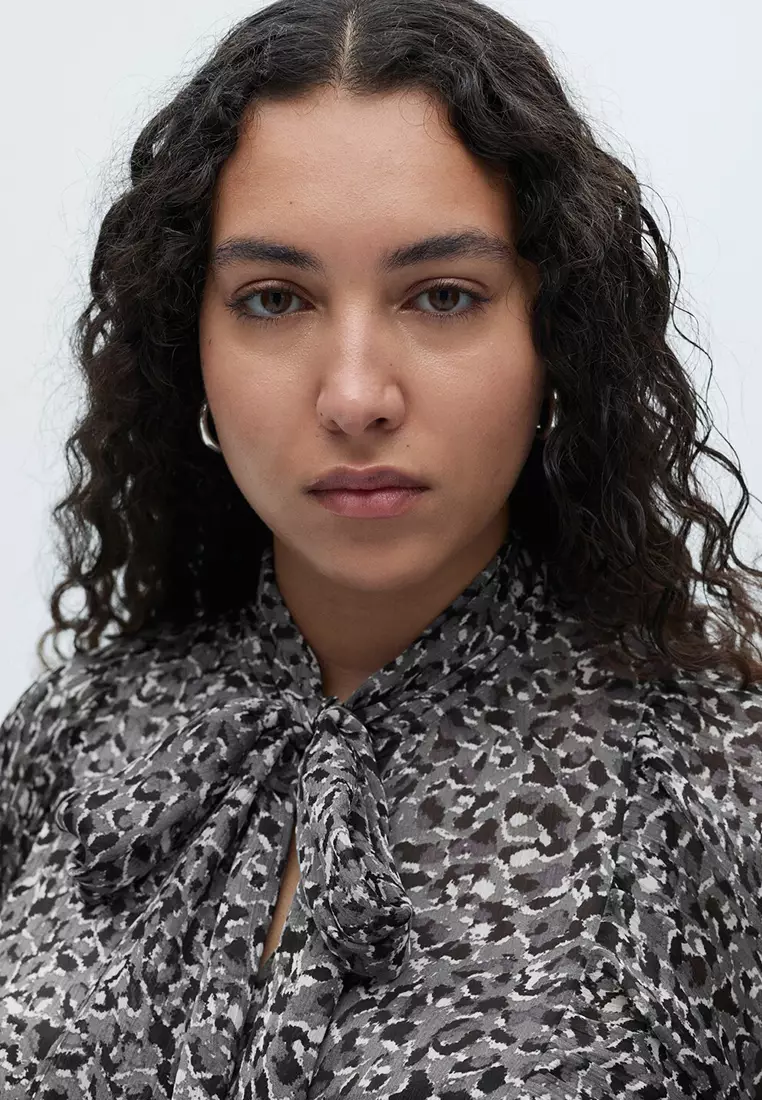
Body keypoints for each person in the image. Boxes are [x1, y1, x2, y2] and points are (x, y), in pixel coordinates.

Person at [1, 0, 761, 1096]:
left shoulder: (717, 791)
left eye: (443, 295)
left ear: (555, 337)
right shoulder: (68, 744)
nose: (356, 394)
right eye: (274, 298)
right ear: (189, 345)